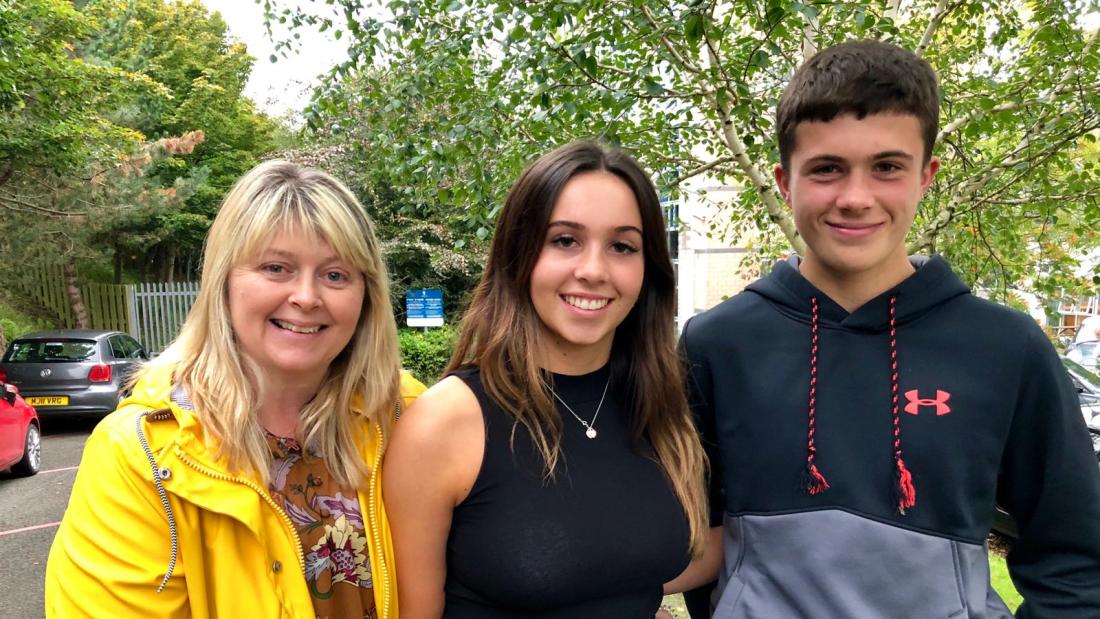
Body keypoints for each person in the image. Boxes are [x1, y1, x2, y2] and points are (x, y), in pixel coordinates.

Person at [681, 40, 1100, 617]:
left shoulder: (1006, 348)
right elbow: (685, 539)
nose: (856, 198)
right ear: (784, 181)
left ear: (925, 176)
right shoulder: (715, 345)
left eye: (886, 167)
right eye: (827, 169)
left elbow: (1078, 561)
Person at [45, 161, 426, 618]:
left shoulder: (407, 415)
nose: (306, 297)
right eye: (276, 267)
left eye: (335, 275)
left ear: (367, 297)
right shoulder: (141, 453)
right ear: (223, 282)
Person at [383, 141, 720, 618]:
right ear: (519, 254)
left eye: (622, 246)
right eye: (565, 240)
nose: (594, 270)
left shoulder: (660, 409)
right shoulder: (448, 421)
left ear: (648, 270)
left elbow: (625, 583)